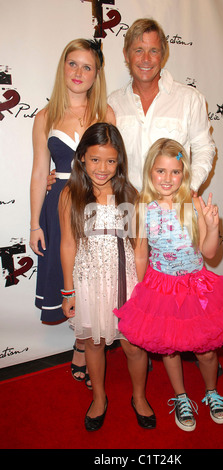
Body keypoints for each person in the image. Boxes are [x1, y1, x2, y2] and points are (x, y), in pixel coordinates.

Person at [114, 138, 223, 432]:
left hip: (197, 287)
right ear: (149, 172)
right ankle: (181, 396)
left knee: (206, 350)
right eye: (160, 171)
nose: (167, 178)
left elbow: (209, 253)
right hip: (161, 287)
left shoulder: (193, 203)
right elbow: (141, 252)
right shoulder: (142, 207)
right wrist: (141, 292)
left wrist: (212, 226)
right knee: (169, 348)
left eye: (175, 172)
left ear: (183, 173)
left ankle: (211, 392)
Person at [58, 122, 156, 431]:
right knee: (94, 343)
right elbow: (68, 244)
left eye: (111, 161)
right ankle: (99, 397)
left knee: (135, 346)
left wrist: (140, 293)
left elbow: (140, 249)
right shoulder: (71, 194)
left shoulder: (129, 195)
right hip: (89, 282)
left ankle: (139, 396)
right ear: (82, 158)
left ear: (120, 162)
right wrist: (68, 291)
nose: (103, 168)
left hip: (126, 282)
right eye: (96, 159)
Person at [29, 38, 115, 386]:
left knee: (94, 280)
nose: (79, 72)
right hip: (58, 206)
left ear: (96, 75)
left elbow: (114, 165)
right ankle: (83, 343)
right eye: (73, 64)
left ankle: (84, 346)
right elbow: (38, 171)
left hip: (97, 207)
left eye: (87, 66)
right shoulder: (45, 115)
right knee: (70, 282)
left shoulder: (105, 114)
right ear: (63, 67)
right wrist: (34, 223)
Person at [108, 18, 216, 194]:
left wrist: (189, 188)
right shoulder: (112, 103)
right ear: (126, 55)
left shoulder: (190, 99)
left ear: (162, 55)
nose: (146, 59)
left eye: (153, 51)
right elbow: (101, 156)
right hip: (126, 208)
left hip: (173, 209)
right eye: (138, 50)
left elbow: (204, 148)